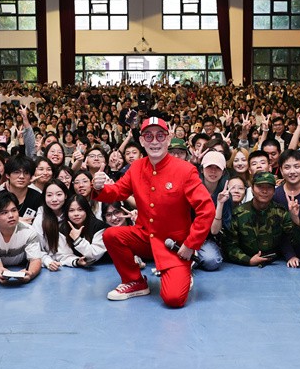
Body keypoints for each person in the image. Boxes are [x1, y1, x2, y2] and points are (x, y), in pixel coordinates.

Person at [92, 116, 215, 308]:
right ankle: (135, 281)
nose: (155, 141)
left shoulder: (185, 170)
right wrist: (99, 187)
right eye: (148, 136)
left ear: (168, 138)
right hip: (144, 236)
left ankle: (183, 273)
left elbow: (206, 209)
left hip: (174, 246)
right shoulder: (136, 167)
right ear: (142, 141)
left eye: (160, 136)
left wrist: (191, 244)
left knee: (173, 299)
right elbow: (117, 191)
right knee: (111, 235)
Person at [222, 171, 300, 267]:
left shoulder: (280, 212)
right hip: (243, 266)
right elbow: (229, 246)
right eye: (260, 187)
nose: (264, 191)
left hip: (276, 265)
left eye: (269, 187)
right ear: (252, 189)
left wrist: (295, 218)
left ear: (274, 191)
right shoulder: (238, 214)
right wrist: (248, 260)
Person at [0, 190, 44, 284]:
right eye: (4, 212)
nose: (11, 216)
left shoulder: (29, 231)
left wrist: (31, 273)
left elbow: (35, 260)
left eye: (14, 210)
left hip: (22, 267)